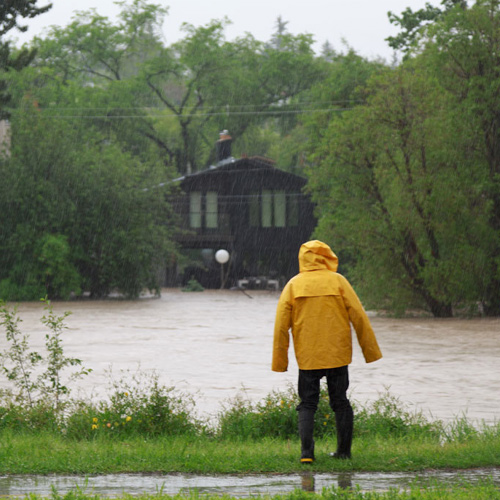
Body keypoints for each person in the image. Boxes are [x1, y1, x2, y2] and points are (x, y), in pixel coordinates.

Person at [272, 240, 382, 463]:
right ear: (327, 257)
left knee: (307, 404)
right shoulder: (339, 281)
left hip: (308, 356)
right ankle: (343, 452)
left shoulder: (294, 285)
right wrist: (370, 351)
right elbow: (359, 316)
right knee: (340, 402)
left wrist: (280, 361)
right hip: (337, 354)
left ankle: (306, 454)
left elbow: (281, 326)